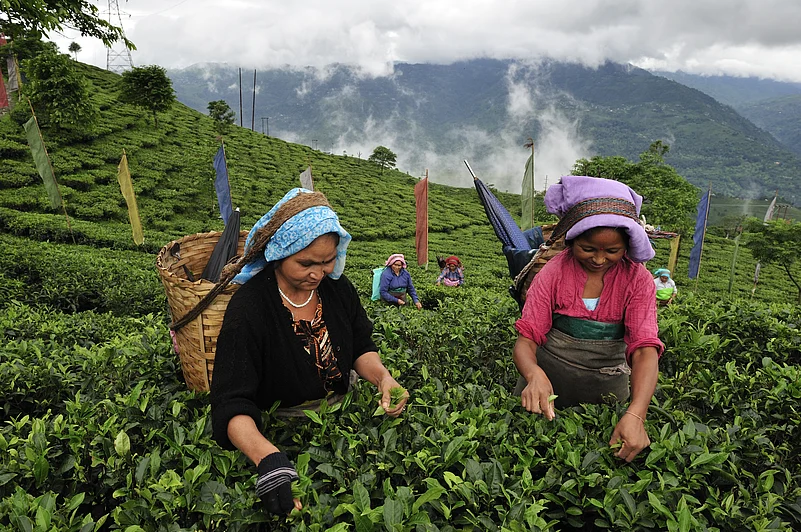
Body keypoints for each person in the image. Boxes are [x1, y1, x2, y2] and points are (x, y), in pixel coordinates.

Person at [209, 188, 409, 517]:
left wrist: (383, 379)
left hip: (344, 416)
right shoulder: (250, 308)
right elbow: (231, 401)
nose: (318, 273)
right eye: (305, 263)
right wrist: (268, 458)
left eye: (327, 261)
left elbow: (361, 347)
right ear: (279, 253)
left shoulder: (337, 289)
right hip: (280, 426)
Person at [513, 175, 663, 463]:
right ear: (572, 239)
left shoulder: (637, 280)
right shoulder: (554, 273)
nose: (599, 259)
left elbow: (645, 350)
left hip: (606, 395)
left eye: (612, 251)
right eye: (589, 249)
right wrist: (533, 375)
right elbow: (527, 339)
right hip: (543, 391)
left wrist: (635, 414)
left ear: (628, 245)